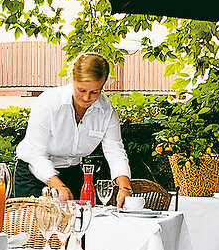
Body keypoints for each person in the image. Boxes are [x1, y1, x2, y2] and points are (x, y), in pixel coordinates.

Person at [13, 52, 133, 206]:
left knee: (77, 226)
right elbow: (36, 155)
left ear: (103, 86)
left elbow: (115, 151)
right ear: (72, 80)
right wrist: (58, 186)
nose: (86, 98)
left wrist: (125, 187)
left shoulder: (106, 110)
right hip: (33, 174)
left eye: (94, 92)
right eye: (81, 90)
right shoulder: (48, 103)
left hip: (72, 173)